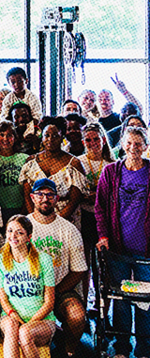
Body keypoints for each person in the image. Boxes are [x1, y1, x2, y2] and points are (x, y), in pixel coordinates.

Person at [95, 125, 150, 358]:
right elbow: (100, 208)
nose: (133, 148)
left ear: (146, 147)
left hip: (146, 251)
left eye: (138, 144)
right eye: (129, 143)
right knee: (121, 300)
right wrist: (103, 236)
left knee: (145, 301)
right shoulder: (111, 172)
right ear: (122, 145)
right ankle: (121, 348)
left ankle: (145, 348)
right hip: (117, 248)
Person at [26, 178, 87, 358]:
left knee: (77, 315)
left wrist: (54, 294)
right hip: (29, 289)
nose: (45, 199)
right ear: (32, 197)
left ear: (57, 199)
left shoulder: (69, 229)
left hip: (61, 289)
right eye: (40, 194)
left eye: (50, 195)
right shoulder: (22, 226)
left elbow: (79, 270)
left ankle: (69, 350)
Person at [0, 215, 56, 358]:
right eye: (10, 231)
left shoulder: (44, 259)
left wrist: (28, 324)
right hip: (10, 317)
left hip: (42, 321)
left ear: (29, 237)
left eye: (19, 232)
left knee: (25, 333)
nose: (13, 236)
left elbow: (49, 303)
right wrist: (14, 316)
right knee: (11, 327)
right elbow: (3, 299)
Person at [19, 117, 86, 225]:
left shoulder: (74, 164)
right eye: (47, 135)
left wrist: (55, 223)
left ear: (62, 137)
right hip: (37, 221)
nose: (50, 139)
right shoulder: (31, 162)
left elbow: (74, 200)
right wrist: (36, 221)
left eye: (55, 136)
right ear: (42, 137)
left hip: (66, 220)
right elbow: (27, 196)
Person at [78, 121, 112, 302]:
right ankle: (84, 301)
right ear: (83, 142)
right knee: (84, 263)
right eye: (88, 140)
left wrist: (98, 196)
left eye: (96, 139)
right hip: (84, 215)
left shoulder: (111, 164)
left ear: (103, 140)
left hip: (104, 218)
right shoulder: (78, 162)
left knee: (104, 264)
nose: (92, 143)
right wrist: (87, 196)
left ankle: (103, 304)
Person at [0, 121, 30, 223]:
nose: (5, 139)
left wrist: (25, 208)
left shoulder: (24, 158)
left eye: (9, 135)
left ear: (15, 138)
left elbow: (28, 187)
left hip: (20, 207)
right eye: (2, 135)